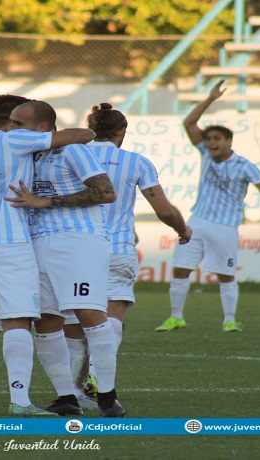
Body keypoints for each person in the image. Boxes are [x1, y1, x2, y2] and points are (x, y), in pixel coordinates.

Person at [0, 94, 97, 417]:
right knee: (19, 320)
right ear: (11, 121)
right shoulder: (15, 139)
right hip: (5, 241)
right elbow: (85, 134)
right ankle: (21, 401)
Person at [65, 103, 193, 409]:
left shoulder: (68, 155)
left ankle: (73, 391)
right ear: (121, 132)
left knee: (73, 320)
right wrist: (182, 228)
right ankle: (99, 375)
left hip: (74, 248)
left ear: (90, 127)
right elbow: (163, 210)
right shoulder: (136, 162)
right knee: (112, 317)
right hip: (117, 248)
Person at [6, 100, 125, 418]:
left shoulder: (72, 149)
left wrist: (47, 201)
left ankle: (107, 396)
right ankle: (66, 397)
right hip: (39, 242)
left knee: (89, 314)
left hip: (78, 241)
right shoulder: (28, 154)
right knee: (45, 320)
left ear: (43, 127)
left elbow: (106, 192)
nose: (11, 128)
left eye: (19, 123)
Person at [155, 80, 260, 333]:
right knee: (180, 269)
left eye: (217, 139)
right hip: (196, 221)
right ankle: (176, 317)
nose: (211, 143)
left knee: (225, 275)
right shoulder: (206, 155)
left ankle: (229, 320)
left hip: (225, 226)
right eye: (208, 139)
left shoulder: (244, 165)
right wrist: (211, 99)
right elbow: (188, 123)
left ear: (229, 141)